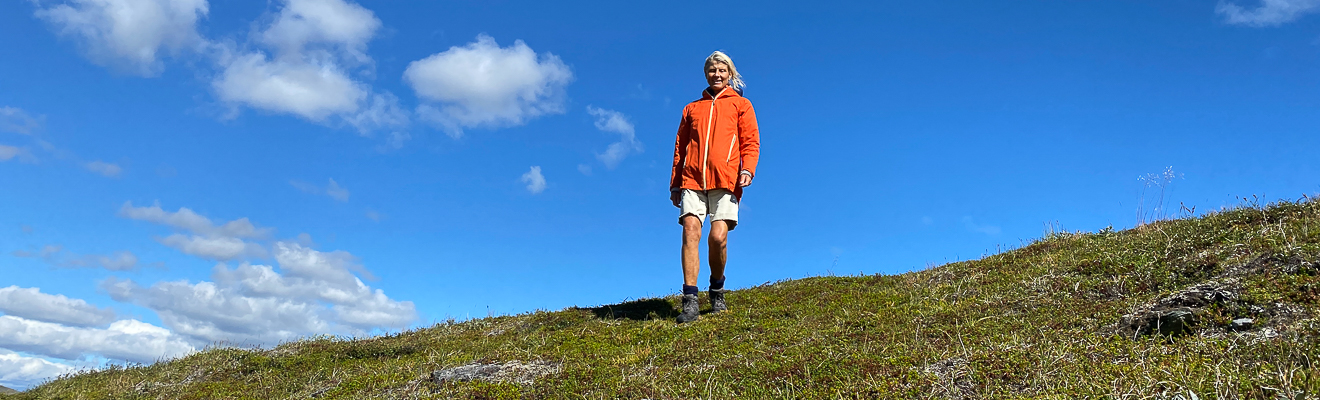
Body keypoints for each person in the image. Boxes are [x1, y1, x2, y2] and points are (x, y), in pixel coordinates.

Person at [669, 50, 760, 323]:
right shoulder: (691, 109)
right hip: (692, 179)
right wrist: (675, 183)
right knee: (690, 231)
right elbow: (680, 147)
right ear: (706, 74)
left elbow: (750, 141)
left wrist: (747, 169)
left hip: (726, 178)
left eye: (722, 70)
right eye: (712, 70)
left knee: (718, 237)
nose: (717, 74)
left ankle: (717, 289)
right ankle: (690, 301)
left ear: (730, 74)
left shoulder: (741, 105)